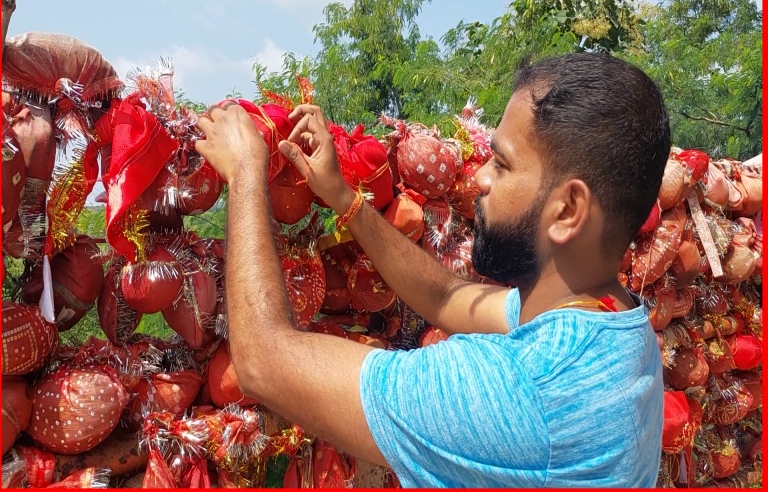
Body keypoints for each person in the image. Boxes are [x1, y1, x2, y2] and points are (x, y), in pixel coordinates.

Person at [194, 52, 669, 488]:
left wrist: (246, 173)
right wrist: (344, 198)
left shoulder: (523, 391)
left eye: (501, 164)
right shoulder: (617, 325)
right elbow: (447, 298)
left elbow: (263, 363)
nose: (480, 177)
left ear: (568, 210)